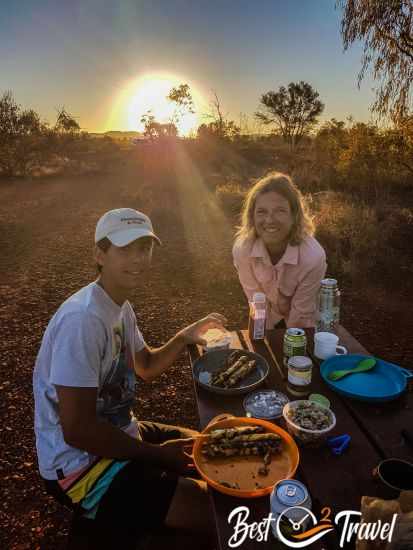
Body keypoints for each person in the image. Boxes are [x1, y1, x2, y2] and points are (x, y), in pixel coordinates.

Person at [33, 207, 226, 549]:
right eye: (124, 249)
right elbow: (77, 429)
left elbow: (146, 365)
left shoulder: (119, 306)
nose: (137, 259)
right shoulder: (83, 320)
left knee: (213, 450)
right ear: (99, 254)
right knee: (214, 514)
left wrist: (183, 337)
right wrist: (158, 455)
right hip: (80, 467)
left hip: (119, 432)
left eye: (144, 248)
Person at [232, 172, 326, 329]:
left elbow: (301, 314)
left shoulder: (313, 256)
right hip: (268, 317)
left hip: (304, 322)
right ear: (252, 216)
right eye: (262, 211)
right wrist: (265, 339)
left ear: (295, 215)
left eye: (280, 211)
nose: (269, 220)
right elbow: (255, 301)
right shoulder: (242, 250)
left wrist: (290, 348)